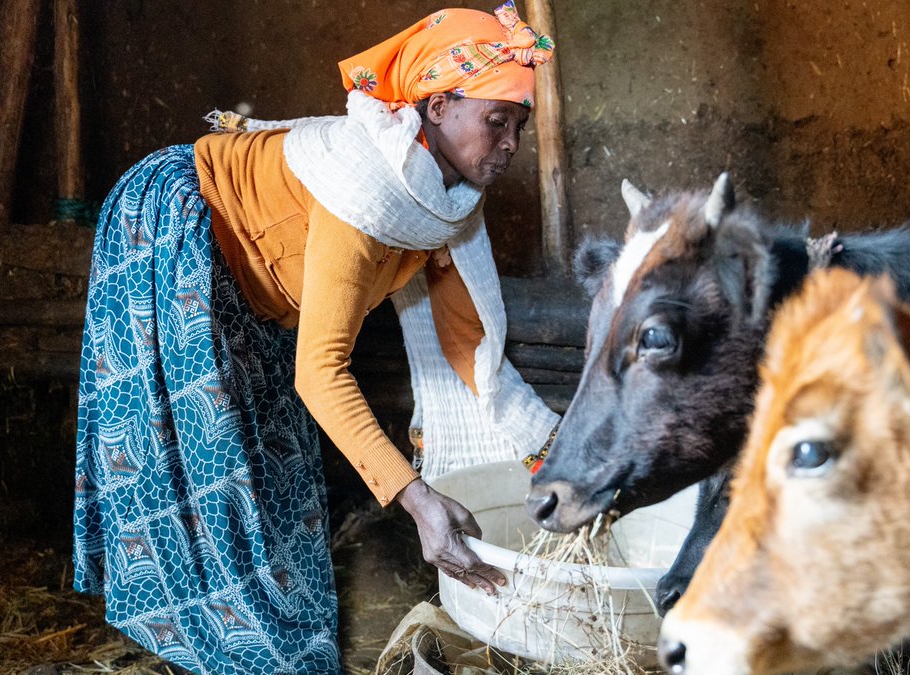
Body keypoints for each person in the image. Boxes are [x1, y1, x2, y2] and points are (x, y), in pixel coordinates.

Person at [71, 3, 559, 673]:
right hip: (177, 229)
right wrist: (417, 498)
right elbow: (321, 373)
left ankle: (281, 639)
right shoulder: (362, 189)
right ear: (439, 106)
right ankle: (218, 642)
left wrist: (549, 455)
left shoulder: (447, 202)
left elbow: (468, 344)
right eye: (496, 122)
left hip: (257, 281)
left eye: (519, 127)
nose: (510, 145)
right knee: (210, 463)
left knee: (279, 461)